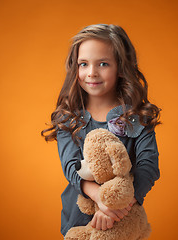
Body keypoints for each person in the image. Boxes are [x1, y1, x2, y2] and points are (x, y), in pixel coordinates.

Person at [41, 24, 161, 237]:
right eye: (84, 64)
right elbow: (70, 166)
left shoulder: (137, 118)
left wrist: (116, 206)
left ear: (121, 67)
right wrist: (100, 198)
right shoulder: (68, 118)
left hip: (123, 221)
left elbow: (148, 167)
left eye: (103, 64)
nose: (92, 73)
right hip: (77, 218)